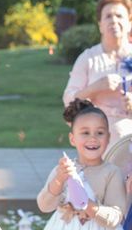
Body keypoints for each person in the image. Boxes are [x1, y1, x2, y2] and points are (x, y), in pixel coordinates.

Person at [37, 98, 126, 229]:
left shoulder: (111, 172)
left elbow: (115, 217)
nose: (93, 138)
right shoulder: (63, 170)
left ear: (108, 137)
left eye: (100, 133)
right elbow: (44, 206)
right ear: (72, 139)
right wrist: (59, 180)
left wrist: (87, 204)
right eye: (85, 133)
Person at [63, 0, 132, 150]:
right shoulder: (87, 58)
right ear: (100, 24)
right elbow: (68, 103)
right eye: (108, 16)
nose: (114, 20)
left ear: (129, 22)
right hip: (97, 150)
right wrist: (96, 87)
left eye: (119, 16)